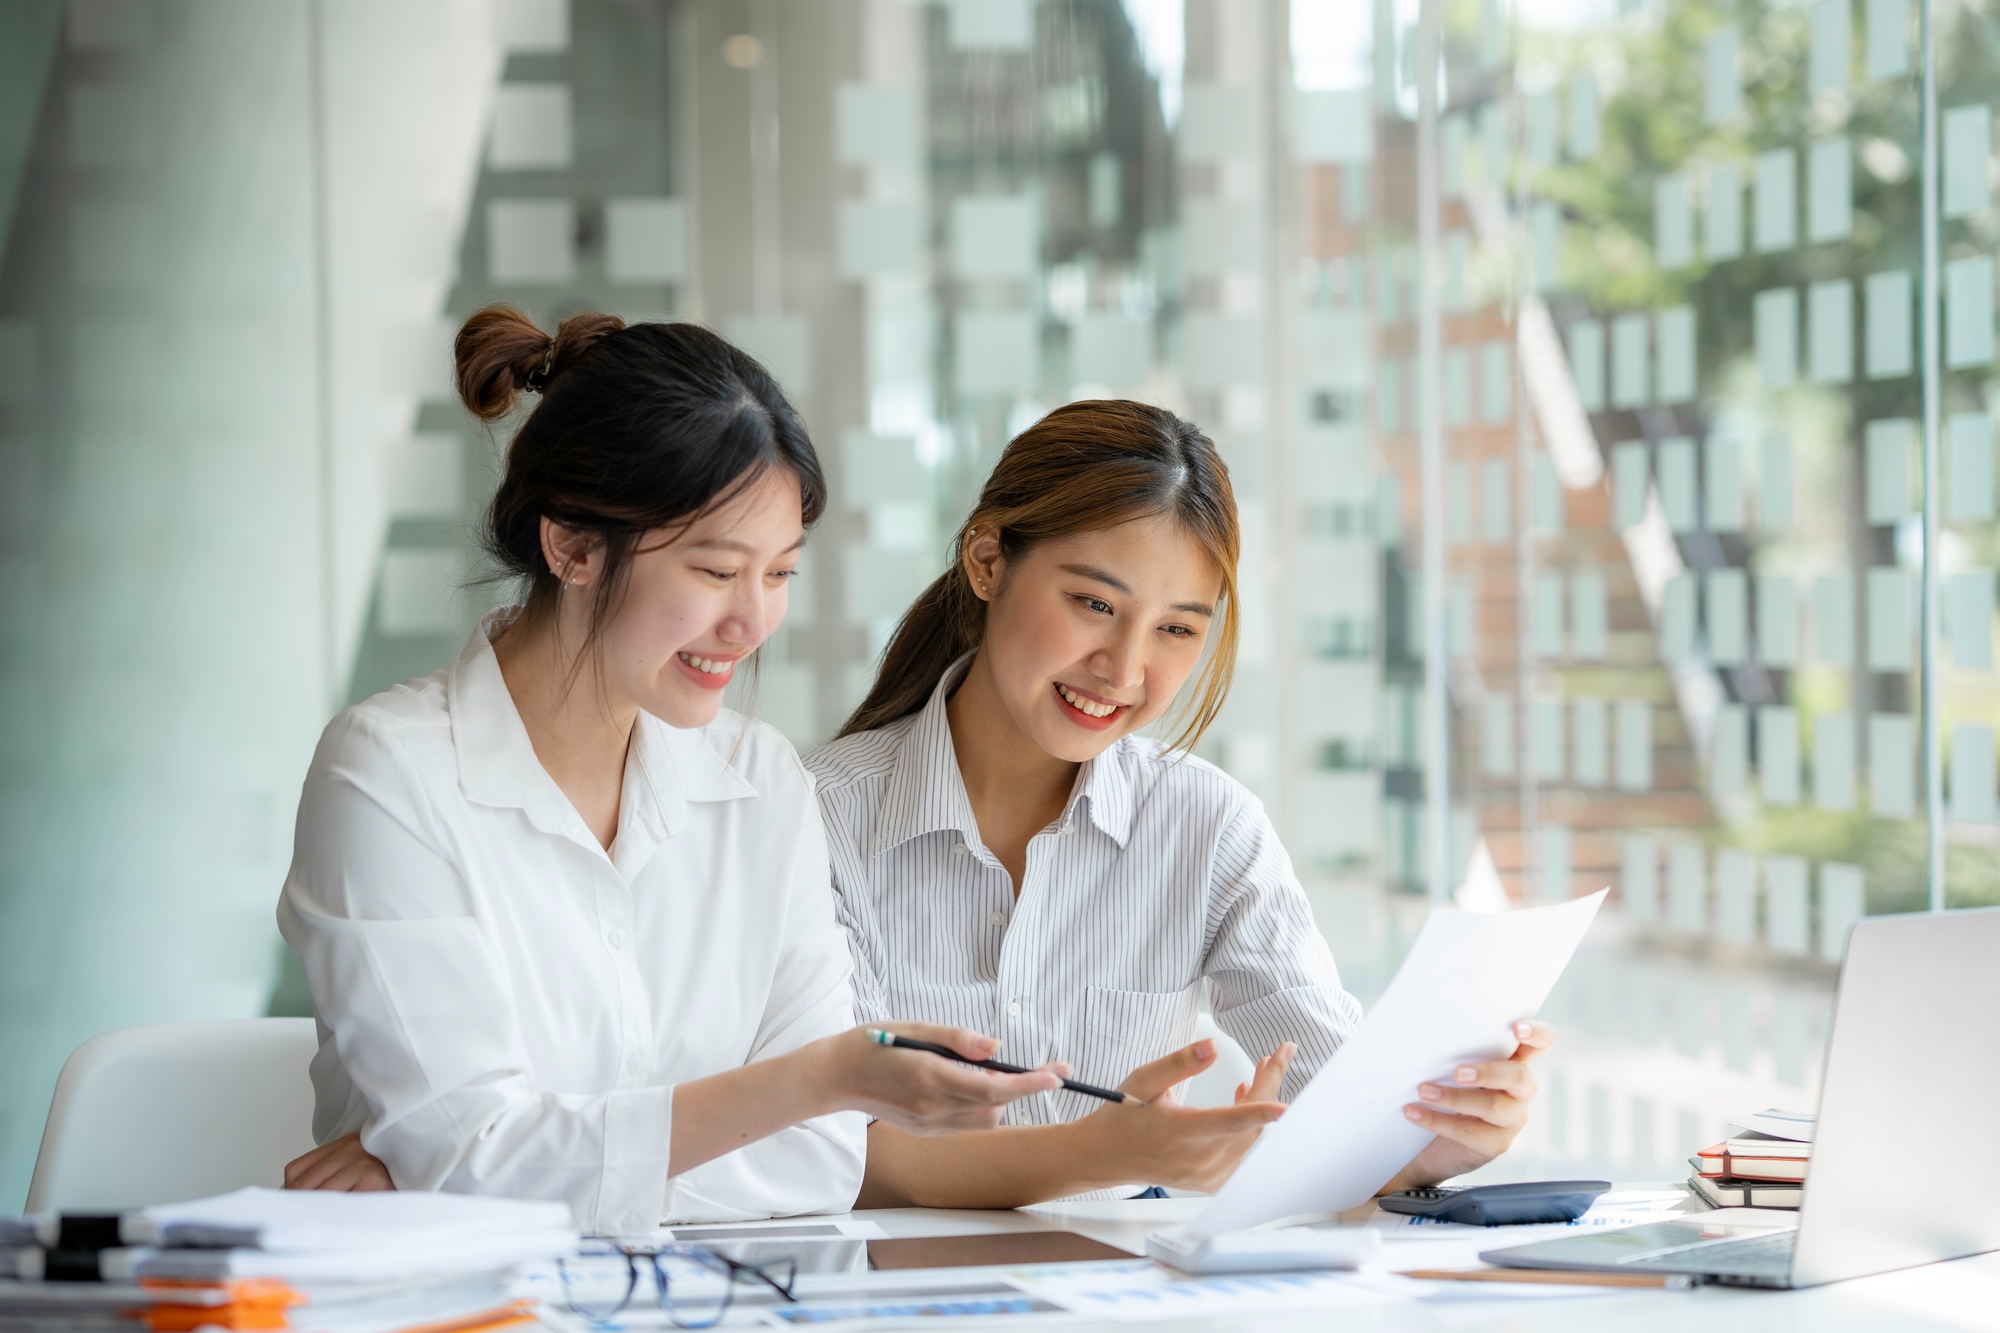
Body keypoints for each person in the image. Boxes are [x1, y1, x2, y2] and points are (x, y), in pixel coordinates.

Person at [275, 307, 1059, 1229]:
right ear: (569, 543)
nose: (752, 622)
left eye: (779, 574)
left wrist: (495, 1171)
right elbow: (472, 1160)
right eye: (716, 570)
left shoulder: (762, 781)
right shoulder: (388, 775)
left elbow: (821, 1156)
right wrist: (806, 1084)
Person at [804, 400, 1553, 1208]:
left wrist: (1450, 1125)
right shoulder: (815, 817)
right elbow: (841, 1150)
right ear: (987, 560)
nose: (1124, 668)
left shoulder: (1208, 827)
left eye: (1176, 629)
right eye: (1094, 604)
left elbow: (1341, 1105)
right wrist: (1099, 1153)